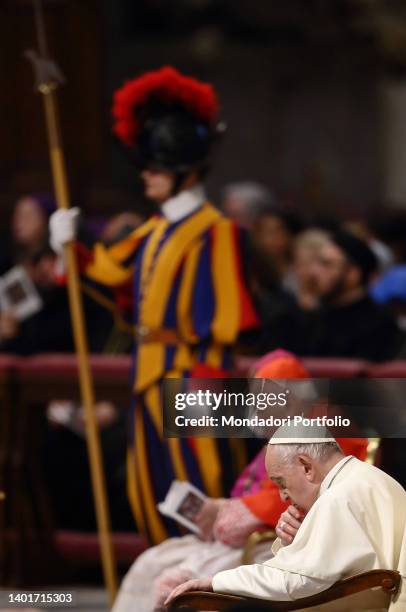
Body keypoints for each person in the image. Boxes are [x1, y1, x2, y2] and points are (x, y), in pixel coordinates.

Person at [49, 66, 259, 544]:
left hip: (194, 376)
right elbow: (108, 272)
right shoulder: (153, 229)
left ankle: (208, 580)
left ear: (184, 170)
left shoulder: (217, 231)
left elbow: (225, 324)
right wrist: (70, 245)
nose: (146, 175)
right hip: (146, 371)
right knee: (153, 486)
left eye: (157, 167)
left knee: (198, 482)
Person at [112, 352, 368, 611]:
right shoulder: (282, 432)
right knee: (151, 562)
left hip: (274, 540)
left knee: (177, 583)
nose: (258, 411)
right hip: (248, 538)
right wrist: (222, 511)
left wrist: (240, 512)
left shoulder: (324, 426)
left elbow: (315, 491)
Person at [166, 425, 406, 609]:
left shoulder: (338, 497)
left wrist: (215, 582)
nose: (283, 496)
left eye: (281, 483)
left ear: (306, 466)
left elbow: (298, 581)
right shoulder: (368, 478)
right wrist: (298, 539)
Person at [282, 229, 399, 360]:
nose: (314, 272)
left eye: (326, 264)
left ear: (353, 274)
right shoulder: (312, 317)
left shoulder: (378, 326)